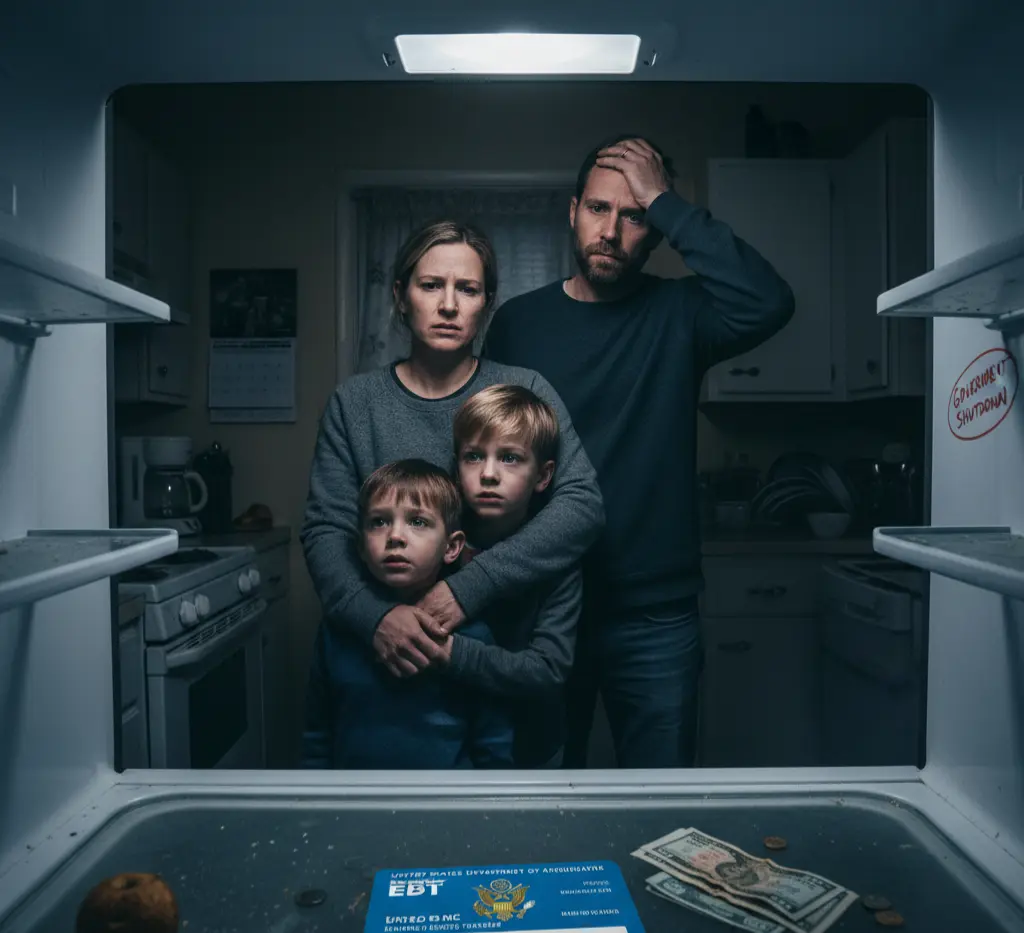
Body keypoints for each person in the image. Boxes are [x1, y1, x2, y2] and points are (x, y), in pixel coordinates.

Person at [483, 134, 796, 770]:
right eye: (599, 209)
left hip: (656, 615)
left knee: (661, 811)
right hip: (543, 606)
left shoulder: (682, 314)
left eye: (635, 216)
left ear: (656, 232)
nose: (611, 232)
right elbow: (490, 459)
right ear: (572, 211)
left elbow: (770, 301)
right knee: (540, 794)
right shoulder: (519, 322)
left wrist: (667, 201)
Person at [300, 220, 604, 710]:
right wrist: (374, 619)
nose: (448, 305)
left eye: (467, 289)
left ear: (486, 303)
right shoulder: (354, 404)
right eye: (430, 285)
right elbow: (325, 531)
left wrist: (467, 589)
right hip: (387, 683)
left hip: (504, 672)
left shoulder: (523, 389)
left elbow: (582, 506)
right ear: (401, 295)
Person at [300, 459, 513, 769]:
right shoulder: (337, 632)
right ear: (360, 547)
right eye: (379, 522)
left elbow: (493, 745)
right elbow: (317, 738)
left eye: (417, 522)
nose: (395, 536)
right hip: (354, 806)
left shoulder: (474, 636)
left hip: (448, 808)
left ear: (452, 548)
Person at [442, 383, 583, 767]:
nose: (488, 474)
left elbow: (548, 670)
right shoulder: (440, 548)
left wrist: (452, 655)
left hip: (532, 747)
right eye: (473, 457)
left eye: (509, 458)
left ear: (543, 475)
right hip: (451, 748)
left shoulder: (557, 559)